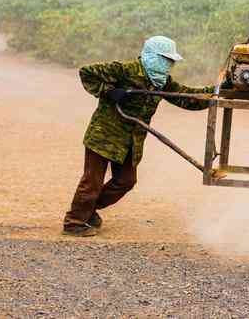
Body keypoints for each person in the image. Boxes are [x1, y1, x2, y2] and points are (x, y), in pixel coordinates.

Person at [62, 36, 213, 236]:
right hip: (104, 135)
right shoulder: (124, 70)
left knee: (125, 181)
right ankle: (74, 222)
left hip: (130, 141)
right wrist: (110, 91)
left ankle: (88, 211)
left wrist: (218, 91)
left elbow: (188, 98)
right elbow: (87, 72)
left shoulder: (162, 82)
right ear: (151, 56)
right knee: (92, 182)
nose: (168, 65)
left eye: (170, 61)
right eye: (164, 59)